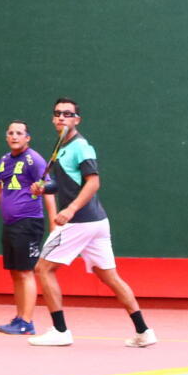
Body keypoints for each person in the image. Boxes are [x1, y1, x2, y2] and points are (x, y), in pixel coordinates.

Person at [27, 97, 155, 347]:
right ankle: (144, 331)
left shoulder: (81, 146)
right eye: (58, 113)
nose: (62, 117)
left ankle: (60, 330)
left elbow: (93, 182)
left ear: (77, 119)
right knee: (109, 276)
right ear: (53, 119)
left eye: (67, 114)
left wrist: (71, 210)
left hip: (80, 222)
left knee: (43, 268)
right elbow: (61, 184)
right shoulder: (62, 147)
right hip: (97, 223)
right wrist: (43, 188)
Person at [0, 120, 47, 335]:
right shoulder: (4, 161)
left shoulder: (35, 160)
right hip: (11, 224)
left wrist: (41, 188)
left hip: (29, 222)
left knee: (25, 272)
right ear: (7, 137)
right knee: (15, 273)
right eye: (11, 133)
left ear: (27, 137)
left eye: (19, 133)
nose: (15, 136)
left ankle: (27, 322)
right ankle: (19, 319)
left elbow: (49, 186)